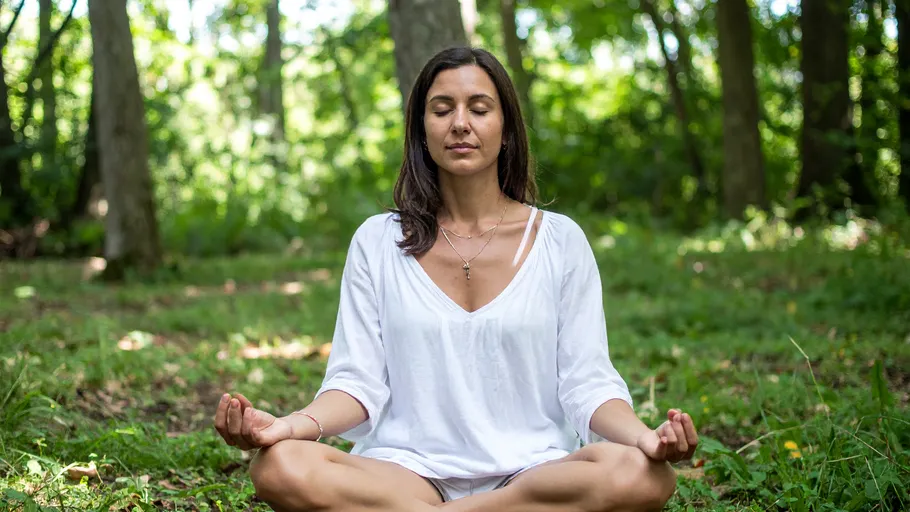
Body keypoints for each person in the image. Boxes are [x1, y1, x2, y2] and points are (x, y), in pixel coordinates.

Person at [213, 46, 698, 512]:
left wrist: (644, 438)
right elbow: (356, 383)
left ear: (506, 129)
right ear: (421, 130)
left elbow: (586, 382)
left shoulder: (559, 241)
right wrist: (289, 426)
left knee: (645, 475)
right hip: (405, 473)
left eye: (479, 109)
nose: (460, 123)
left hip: (533, 471)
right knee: (279, 466)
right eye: (442, 109)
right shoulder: (377, 241)